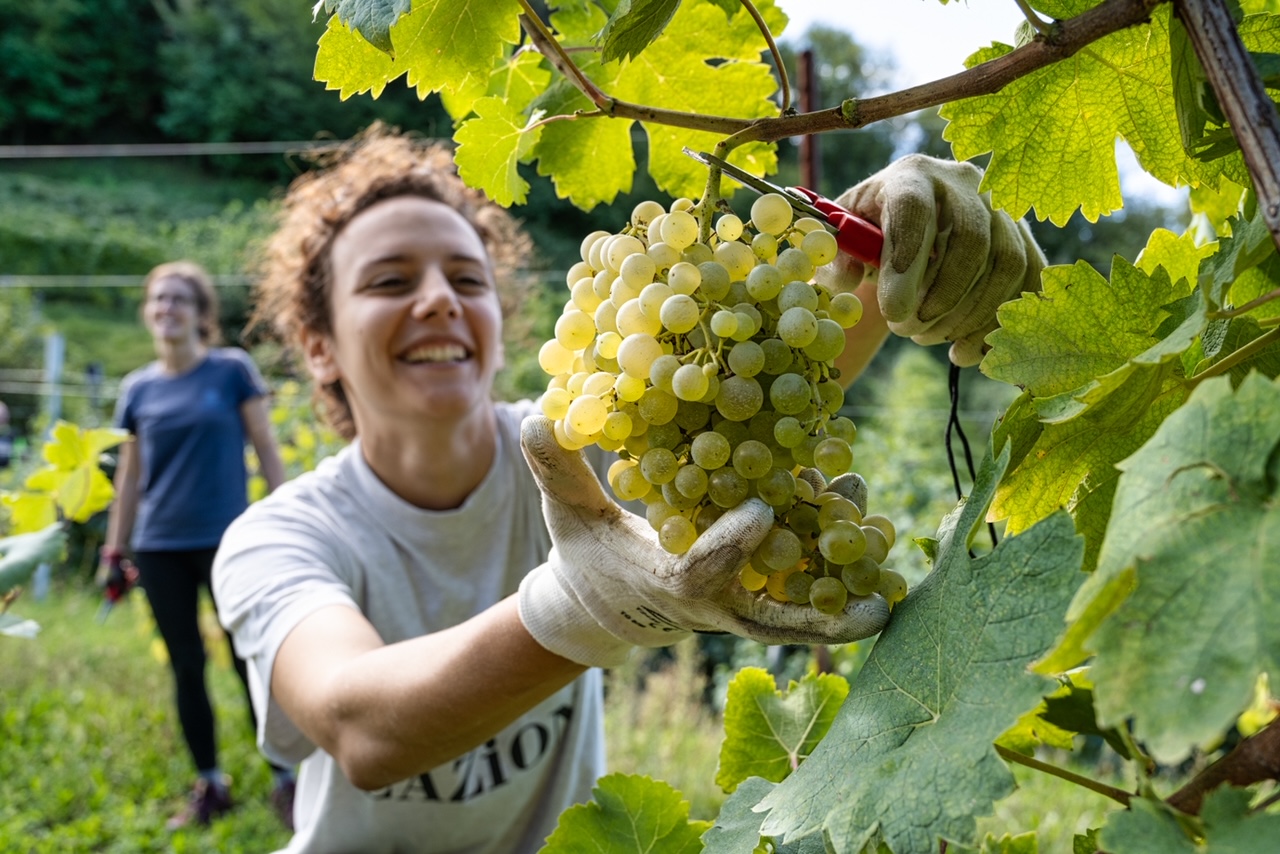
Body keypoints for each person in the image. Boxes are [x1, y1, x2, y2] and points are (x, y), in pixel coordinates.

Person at [211, 127, 1043, 852]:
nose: (437, 301)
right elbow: (359, 730)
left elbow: (769, 386)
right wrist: (585, 607)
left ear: (500, 318)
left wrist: (905, 243)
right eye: (389, 282)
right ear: (317, 346)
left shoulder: (605, 433)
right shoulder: (277, 536)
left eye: (468, 281)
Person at [98, 260, 292, 830]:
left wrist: (288, 519)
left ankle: (287, 779)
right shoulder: (137, 389)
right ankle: (209, 783)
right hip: (158, 547)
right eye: (159, 299)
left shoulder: (231, 371)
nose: (168, 308)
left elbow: (266, 447)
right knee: (186, 666)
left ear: (201, 314)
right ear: (148, 312)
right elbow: (129, 478)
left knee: (247, 660)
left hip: (228, 540)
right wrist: (115, 551)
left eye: (181, 299)